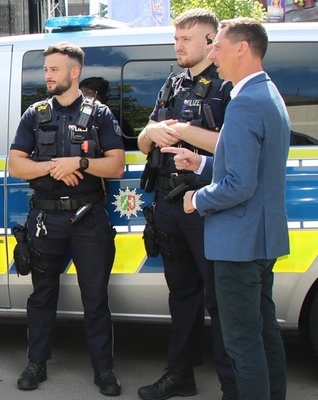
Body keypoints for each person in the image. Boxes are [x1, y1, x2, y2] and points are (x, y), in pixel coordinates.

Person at [162, 18, 290, 400]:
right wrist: (199, 164)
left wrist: (195, 199)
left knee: (243, 343)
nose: (213, 55)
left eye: (218, 47)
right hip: (259, 240)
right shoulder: (266, 93)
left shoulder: (246, 101)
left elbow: (240, 185)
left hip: (238, 243)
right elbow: (245, 166)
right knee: (265, 335)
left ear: (242, 48)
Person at [8, 42, 125, 396]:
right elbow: (16, 165)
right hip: (45, 220)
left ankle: (103, 370)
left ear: (74, 73)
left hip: (88, 218)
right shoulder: (35, 114)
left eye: (54, 70)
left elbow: (117, 165)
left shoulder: (99, 114)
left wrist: (81, 163)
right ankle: (36, 363)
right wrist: (54, 167)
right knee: (42, 296)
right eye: (46, 70)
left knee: (96, 299)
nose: (47, 75)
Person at [135, 9, 238, 400]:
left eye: (186, 40)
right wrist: (151, 132)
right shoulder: (172, 84)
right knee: (182, 295)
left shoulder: (228, 86)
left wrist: (183, 131)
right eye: (176, 39)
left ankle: (235, 386)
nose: (178, 46)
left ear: (211, 41)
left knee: (219, 299)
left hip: (206, 204)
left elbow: (233, 146)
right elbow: (144, 142)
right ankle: (181, 375)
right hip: (168, 203)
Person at [80, 77, 136, 150]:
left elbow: (128, 146)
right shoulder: (75, 117)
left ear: (98, 97)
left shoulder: (115, 120)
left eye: (87, 95)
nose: (84, 100)